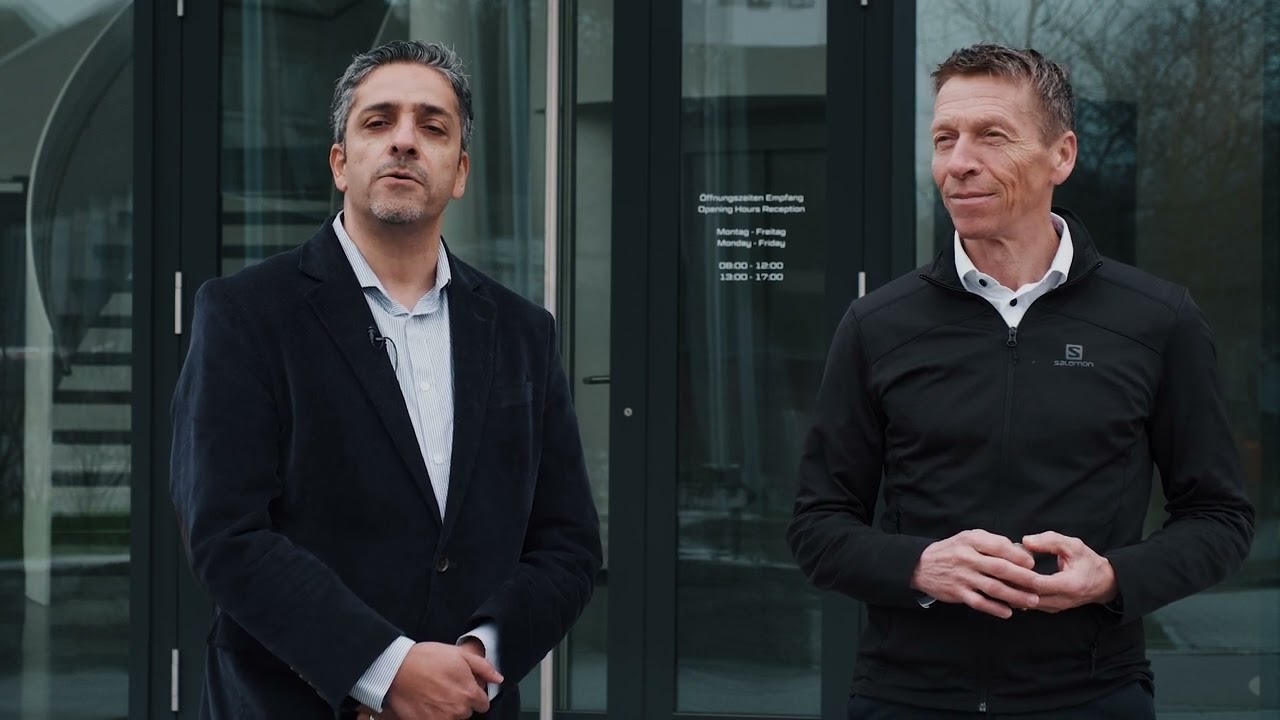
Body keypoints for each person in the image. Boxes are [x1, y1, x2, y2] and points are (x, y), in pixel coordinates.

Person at [787, 43, 1255, 719]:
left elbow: (1219, 518)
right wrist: (917, 566)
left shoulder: (1157, 320)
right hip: (906, 696)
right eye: (944, 139)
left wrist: (1114, 577)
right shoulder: (877, 325)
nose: (959, 162)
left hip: (1092, 694)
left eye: (992, 136)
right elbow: (817, 526)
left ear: (1061, 156)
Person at [170, 40, 601, 720]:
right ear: (341, 162)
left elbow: (568, 545)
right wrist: (387, 670)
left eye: (432, 126)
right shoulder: (245, 313)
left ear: (459, 172)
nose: (404, 140)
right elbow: (225, 534)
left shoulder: (523, 331)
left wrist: (474, 663)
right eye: (378, 121)